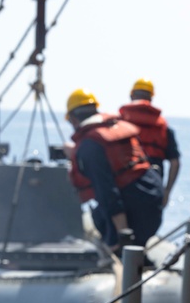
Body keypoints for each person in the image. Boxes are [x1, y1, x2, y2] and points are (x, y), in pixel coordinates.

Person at [64, 88, 163, 251]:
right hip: (153, 198)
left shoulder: (89, 146)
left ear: (73, 120)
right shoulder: (116, 127)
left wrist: (122, 235)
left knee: (105, 227)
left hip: (134, 210)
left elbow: (107, 192)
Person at [118, 78, 180, 208]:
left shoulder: (119, 123)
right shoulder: (164, 128)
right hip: (153, 189)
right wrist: (167, 191)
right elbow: (175, 162)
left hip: (124, 188)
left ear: (131, 96)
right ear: (151, 98)